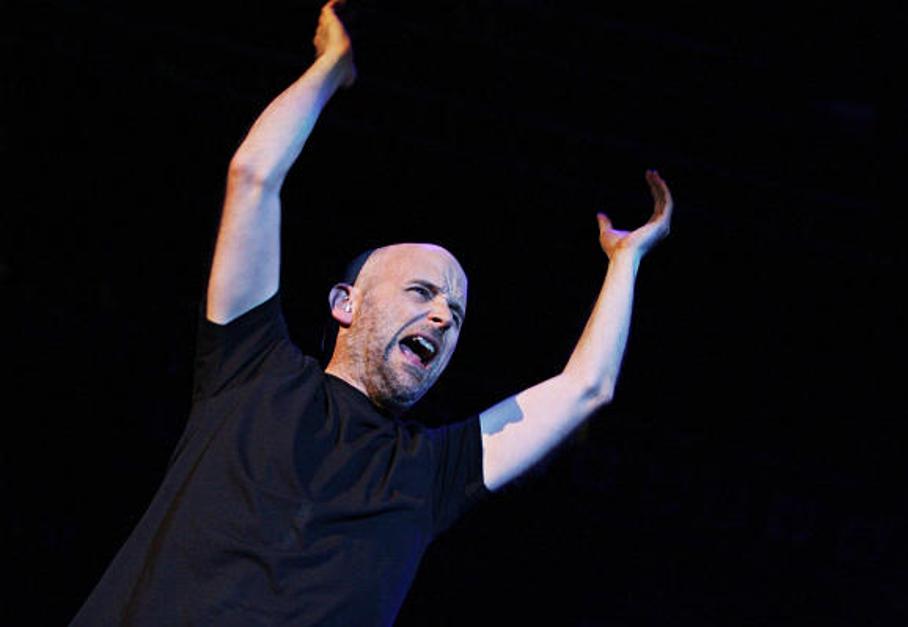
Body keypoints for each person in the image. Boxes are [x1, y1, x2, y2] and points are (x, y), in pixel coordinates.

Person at [69, 1, 673, 625]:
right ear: (345, 303)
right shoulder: (250, 368)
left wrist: (625, 261)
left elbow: (586, 388)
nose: (443, 317)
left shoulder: (431, 474)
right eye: (421, 292)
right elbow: (252, 177)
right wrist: (331, 67)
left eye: (456, 313)